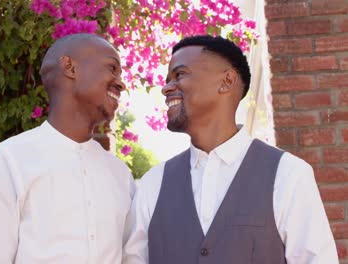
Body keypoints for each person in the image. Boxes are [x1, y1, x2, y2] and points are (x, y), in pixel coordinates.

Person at [122, 35, 338, 264]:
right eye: (168, 79)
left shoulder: (289, 174)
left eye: (180, 74)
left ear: (226, 81)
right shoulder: (152, 184)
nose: (166, 88)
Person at [0, 33, 135, 263]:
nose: (121, 82)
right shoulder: (9, 161)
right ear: (70, 67)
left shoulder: (121, 175)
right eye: (111, 68)